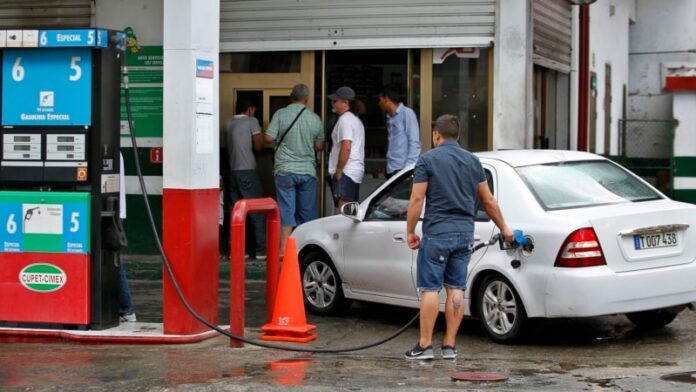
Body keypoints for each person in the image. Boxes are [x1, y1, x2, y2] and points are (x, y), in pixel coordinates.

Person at [404, 114, 513, 360]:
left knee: (430, 289)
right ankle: (450, 346)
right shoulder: (472, 160)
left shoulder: (427, 160)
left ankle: (424, 346)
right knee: (456, 288)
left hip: (437, 234)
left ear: (436, 135)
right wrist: (504, 228)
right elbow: (488, 201)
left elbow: (416, 199)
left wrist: (410, 231)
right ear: (458, 135)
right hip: (465, 234)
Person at [264, 84, 324, 254]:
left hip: (285, 170)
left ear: (291, 96)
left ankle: (283, 251)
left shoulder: (280, 114)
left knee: (286, 209)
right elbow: (319, 145)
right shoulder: (314, 118)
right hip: (307, 171)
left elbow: (269, 138)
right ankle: (306, 250)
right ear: (306, 98)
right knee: (307, 212)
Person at [225, 99, 266, 259]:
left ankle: (237, 251)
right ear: (250, 109)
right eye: (254, 110)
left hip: (232, 171)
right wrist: (261, 133)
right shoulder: (252, 121)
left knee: (236, 213)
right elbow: (259, 146)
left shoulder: (228, 124)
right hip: (247, 171)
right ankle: (261, 251)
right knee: (257, 211)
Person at [328, 86, 365, 208]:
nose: (332, 103)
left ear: (345, 102)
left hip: (346, 171)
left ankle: (344, 228)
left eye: (335, 101)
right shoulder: (355, 119)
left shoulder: (345, 120)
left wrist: (339, 170)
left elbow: (346, 147)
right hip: (353, 170)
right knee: (350, 207)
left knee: (344, 206)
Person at [378, 85, 421, 178]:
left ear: (387, 99)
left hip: (402, 169)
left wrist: (408, 170)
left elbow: (414, 143)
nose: (379, 103)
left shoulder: (407, 113)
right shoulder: (389, 117)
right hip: (391, 169)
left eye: (380, 100)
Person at [118, 152, 136, 322]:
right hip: (113, 210)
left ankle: (126, 309)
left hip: (111, 212)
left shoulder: (111, 149)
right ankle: (125, 309)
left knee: (112, 261)